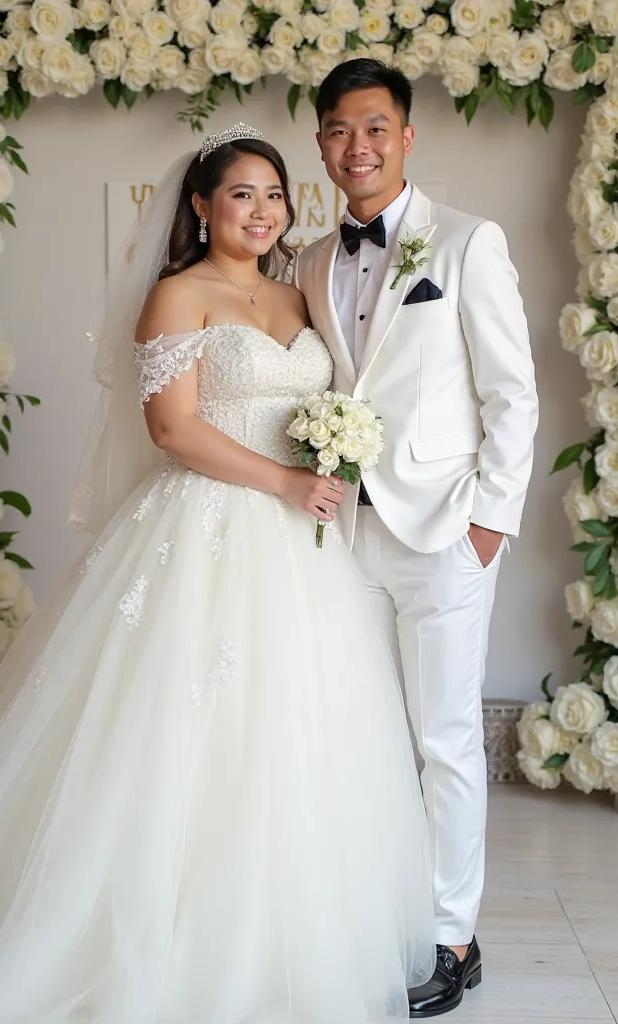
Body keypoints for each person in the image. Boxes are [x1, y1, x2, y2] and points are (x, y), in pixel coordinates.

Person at [0, 124, 435, 1022]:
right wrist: (285, 478)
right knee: (176, 736)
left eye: (274, 194)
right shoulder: (176, 295)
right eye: (241, 194)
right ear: (201, 207)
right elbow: (172, 428)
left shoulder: (298, 294)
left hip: (299, 553)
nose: (262, 210)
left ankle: (287, 936)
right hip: (203, 530)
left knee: (298, 739)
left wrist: (335, 457)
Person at [296, 60, 539, 1018]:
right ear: (320, 143)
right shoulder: (313, 258)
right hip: (345, 538)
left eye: (375, 128)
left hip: (445, 531)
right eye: (338, 131)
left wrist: (489, 522)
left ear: (405, 135)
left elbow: (512, 393)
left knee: (444, 742)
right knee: (365, 740)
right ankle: (388, 915)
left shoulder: (470, 244)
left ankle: (451, 934)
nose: (357, 147)